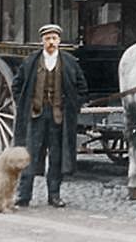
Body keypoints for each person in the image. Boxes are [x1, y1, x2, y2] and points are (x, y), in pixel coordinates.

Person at [12, 23, 89, 208]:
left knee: (56, 158)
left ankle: (54, 196)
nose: (51, 42)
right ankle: (24, 196)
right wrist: (25, 106)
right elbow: (17, 86)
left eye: (54, 38)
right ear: (42, 41)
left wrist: (73, 106)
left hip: (59, 119)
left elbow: (82, 88)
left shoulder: (69, 62)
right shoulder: (30, 61)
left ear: (59, 41)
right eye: (47, 39)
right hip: (35, 117)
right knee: (28, 156)